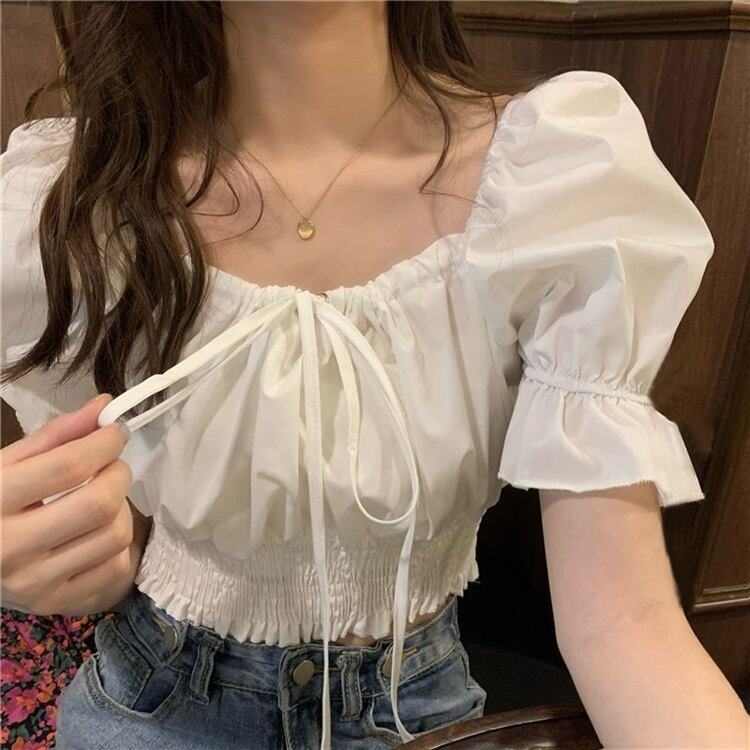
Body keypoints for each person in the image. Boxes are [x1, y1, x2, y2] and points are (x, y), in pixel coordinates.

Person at [1, 2, 747, 749]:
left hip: (408, 711)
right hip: (152, 701)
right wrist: (62, 557)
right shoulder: (82, 197)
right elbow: (120, 536)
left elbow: (624, 618)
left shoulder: (550, 179)